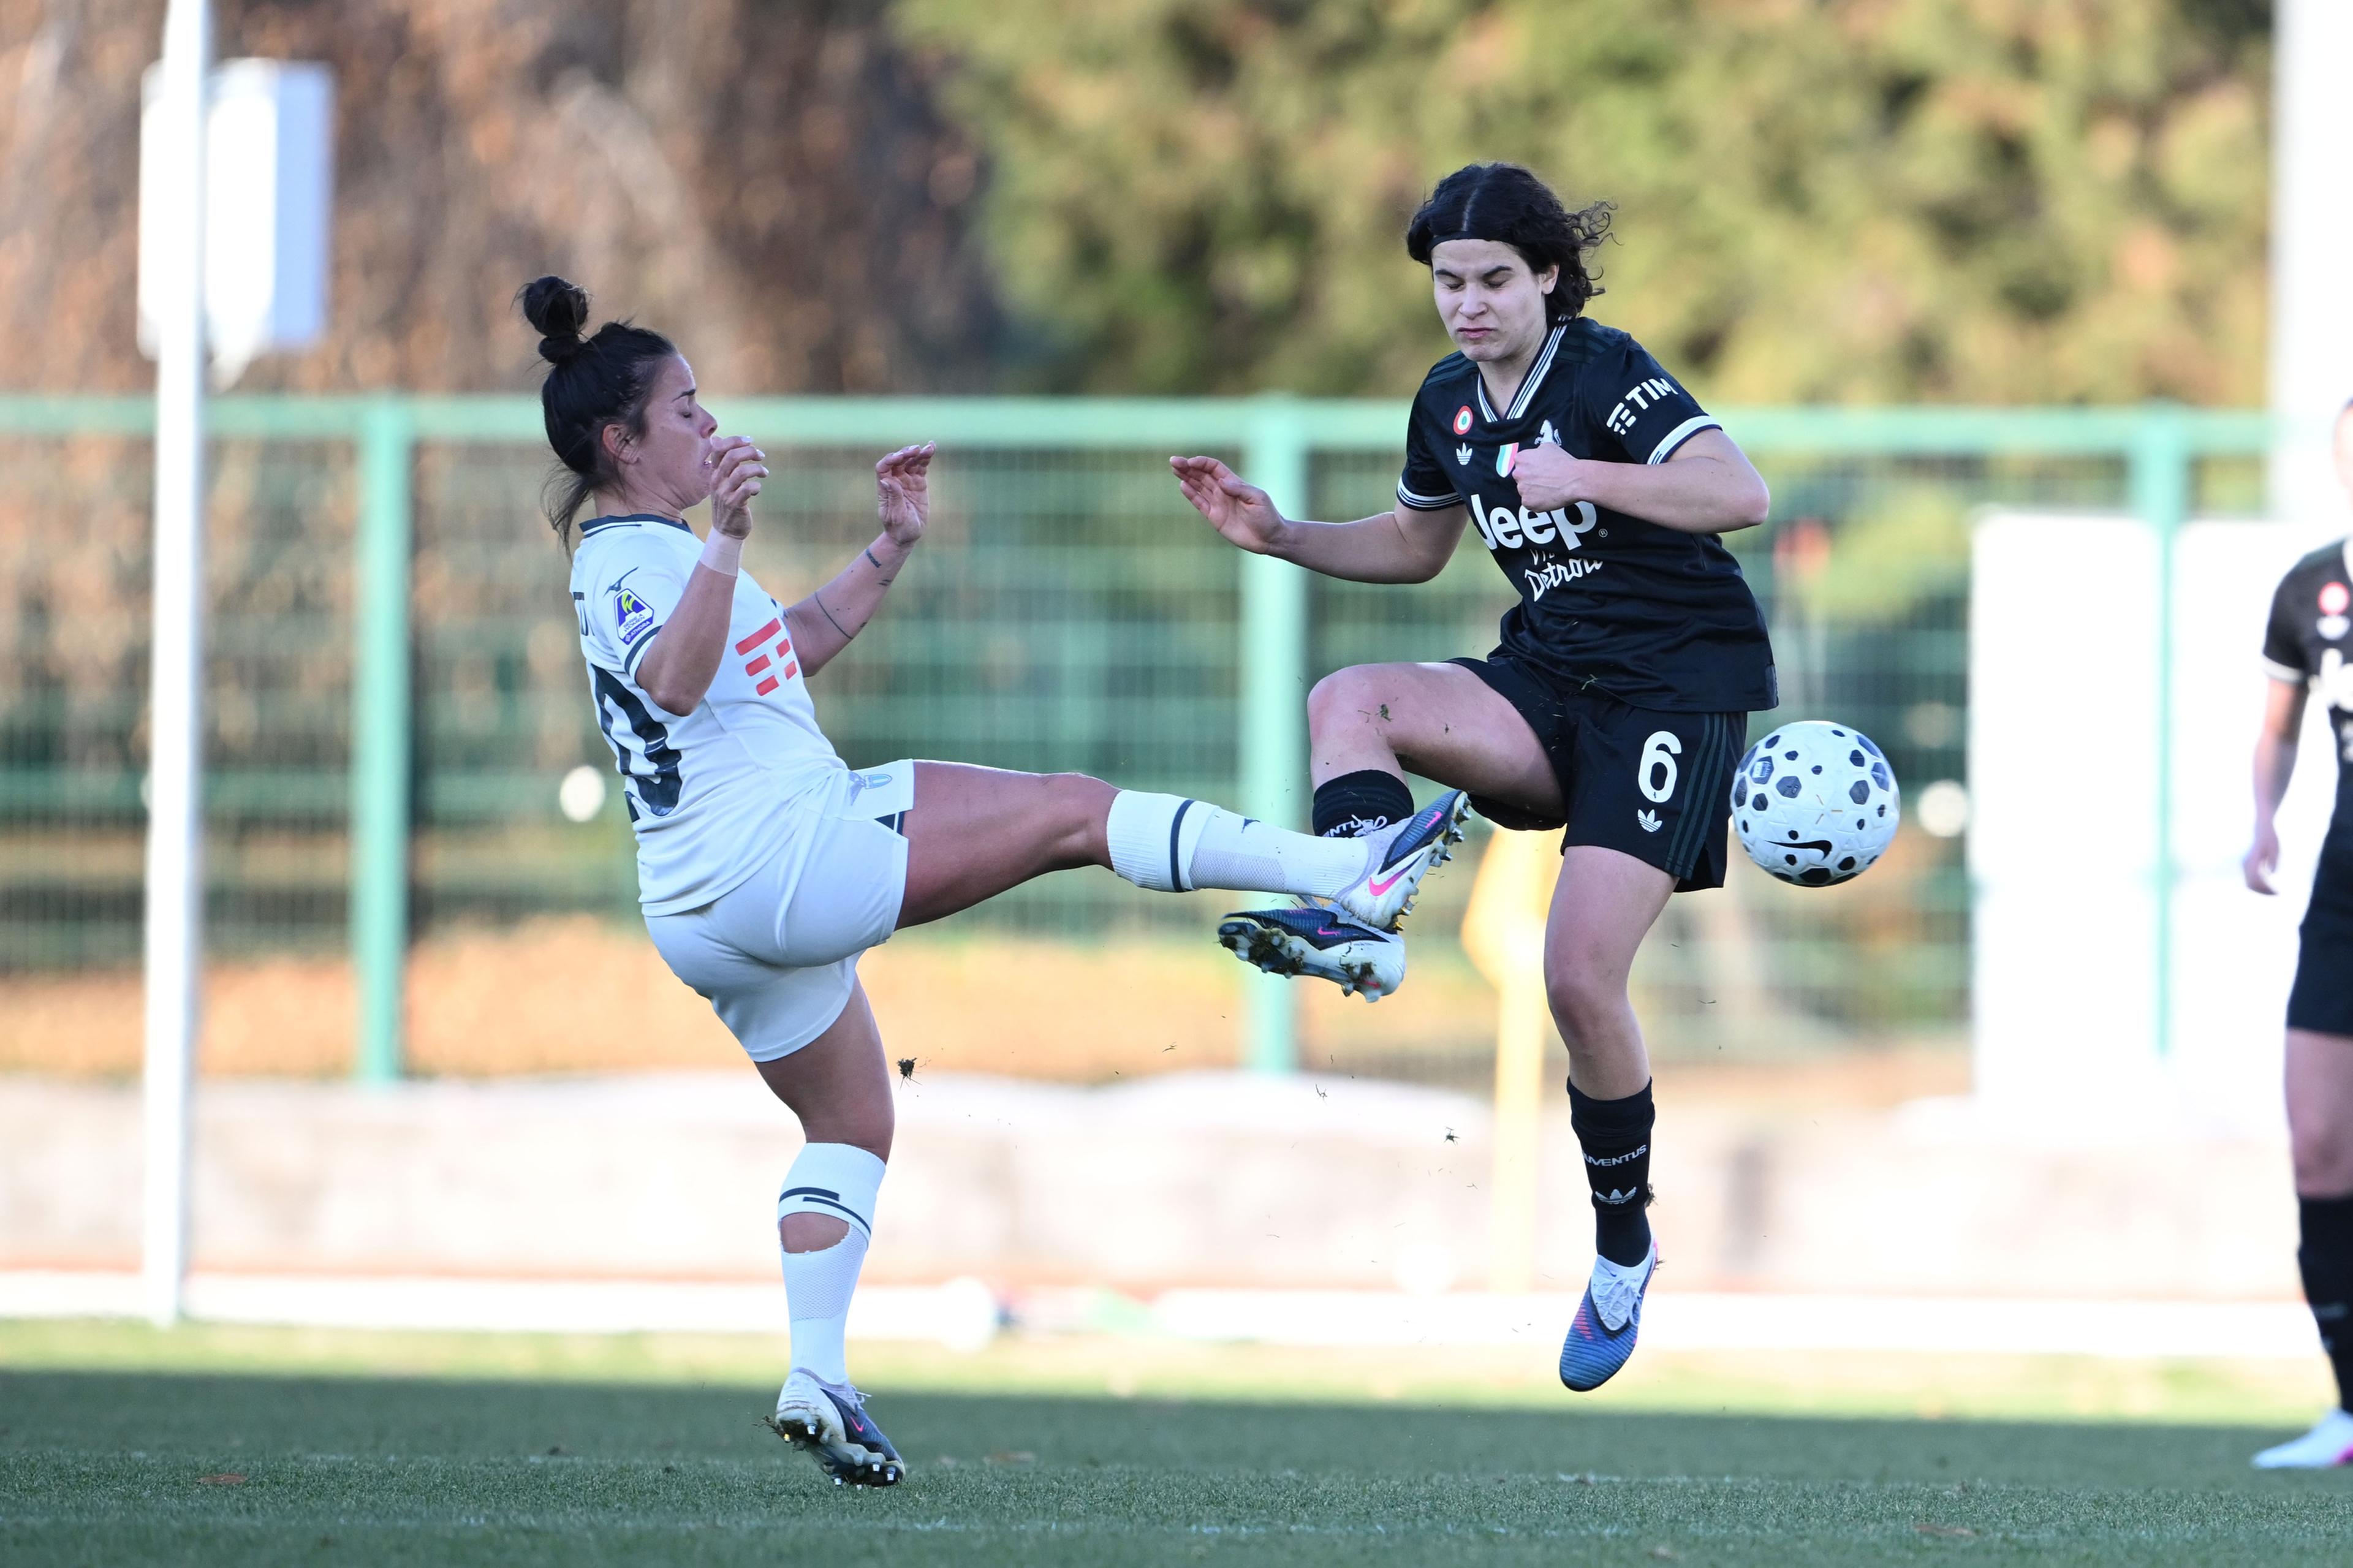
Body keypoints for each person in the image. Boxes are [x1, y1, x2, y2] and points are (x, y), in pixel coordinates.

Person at [520, 275, 1469, 1487]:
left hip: (700, 906)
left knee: (852, 1120)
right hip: (782, 851)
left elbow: (779, 651)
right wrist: (731, 537)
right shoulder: (647, 556)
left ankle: (817, 1373)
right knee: (1074, 809)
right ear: (621, 442)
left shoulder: (641, 552)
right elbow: (675, 679)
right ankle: (1349, 871)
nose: (710, 425)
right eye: (686, 409)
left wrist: (888, 549)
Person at [1169, 164, 1775, 1394]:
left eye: (1495, 278)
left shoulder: (1604, 373)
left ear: (1548, 274)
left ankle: (1622, 1247)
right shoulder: (1447, 400)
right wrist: (1277, 535)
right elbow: (1414, 543)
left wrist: (1588, 475)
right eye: (1449, 282)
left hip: (1674, 693)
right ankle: (1363, 915)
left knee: (1577, 977)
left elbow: (1740, 492)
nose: (1468, 304)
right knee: (1348, 699)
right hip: (1547, 679)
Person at [2246, 398, 2353, 1469]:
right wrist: (2263, 821)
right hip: (2344, 886)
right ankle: (2350, 1409)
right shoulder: (2311, 591)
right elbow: (2277, 730)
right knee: (2320, 1138)